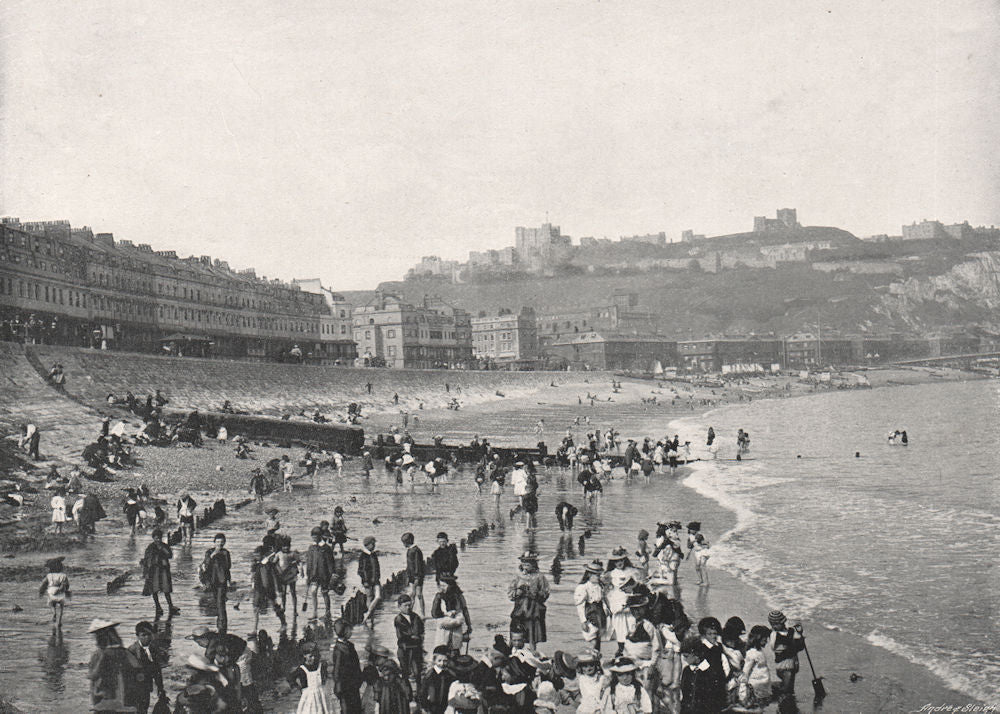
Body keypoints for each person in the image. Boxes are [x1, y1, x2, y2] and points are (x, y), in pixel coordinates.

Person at [87, 619, 132, 709]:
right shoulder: (122, 651)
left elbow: (94, 675)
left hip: (103, 694)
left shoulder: (100, 654)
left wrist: (89, 675)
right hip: (119, 693)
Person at [508, 551, 550, 648]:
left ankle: (532, 652)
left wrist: (536, 594)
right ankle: (512, 653)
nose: (525, 565)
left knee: (532, 635)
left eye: (528, 563)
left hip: (533, 610)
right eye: (523, 563)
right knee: (515, 633)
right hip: (519, 609)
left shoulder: (540, 577)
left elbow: (546, 593)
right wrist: (517, 592)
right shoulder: (518, 576)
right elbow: (510, 594)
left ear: (534, 564)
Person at [126, 621, 165, 714]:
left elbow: (157, 670)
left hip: (146, 687)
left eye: (149, 635)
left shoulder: (153, 649)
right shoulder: (132, 651)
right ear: (137, 636)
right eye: (143, 635)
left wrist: (160, 687)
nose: (147, 638)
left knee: (144, 709)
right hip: (135, 689)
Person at [141, 528, 180, 617]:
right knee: (154, 590)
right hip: (153, 571)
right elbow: (146, 561)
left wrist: (162, 548)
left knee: (166, 589)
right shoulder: (150, 547)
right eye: (156, 538)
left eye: (159, 538)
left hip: (164, 570)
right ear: (153, 538)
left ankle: (171, 606)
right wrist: (146, 573)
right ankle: (158, 607)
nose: (158, 539)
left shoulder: (165, 546)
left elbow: (170, 555)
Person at [430, 574, 472, 656]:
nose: (442, 588)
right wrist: (445, 614)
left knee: (455, 650)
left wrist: (469, 626)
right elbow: (434, 613)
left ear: (451, 585)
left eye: (444, 585)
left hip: (456, 630)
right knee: (442, 651)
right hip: (443, 628)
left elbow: (465, 610)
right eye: (440, 585)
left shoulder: (459, 596)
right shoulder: (439, 596)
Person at [364, 644, 412, 714]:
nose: (375, 662)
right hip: (393, 698)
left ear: (380, 658)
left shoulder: (387, 669)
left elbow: (383, 685)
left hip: (390, 698)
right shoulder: (389, 666)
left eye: (375, 658)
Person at [250, 545, 286, 632]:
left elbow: (276, 577)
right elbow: (253, 576)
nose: (256, 557)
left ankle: (283, 624)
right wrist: (252, 586)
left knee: (275, 606)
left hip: (269, 589)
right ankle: (254, 630)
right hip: (258, 589)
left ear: (263, 555)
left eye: (258, 555)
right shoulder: (256, 564)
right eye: (255, 555)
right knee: (255, 608)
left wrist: (279, 590)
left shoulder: (269, 565)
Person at [330, 618, 363, 713]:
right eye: (350, 630)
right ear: (344, 631)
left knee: (356, 707)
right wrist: (338, 686)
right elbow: (336, 671)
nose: (351, 632)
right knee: (346, 709)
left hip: (353, 684)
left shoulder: (349, 645)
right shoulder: (339, 650)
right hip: (344, 686)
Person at [768, 610, 804, 698]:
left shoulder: (791, 632)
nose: (774, 626)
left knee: (790, 686)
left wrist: (800, 636)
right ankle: (782, 698)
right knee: (787, 688)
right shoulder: (774, 634)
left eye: (776, 624)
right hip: (783, 664)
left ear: (783, 622)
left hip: (792, 662)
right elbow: (774, 646)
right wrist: (795, 636)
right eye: (772, 624)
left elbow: (800, 646)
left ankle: (783, 697)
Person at [201, 532, 232, 632]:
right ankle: (221, 622)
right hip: (212, 580)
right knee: (217, 601)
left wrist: (228, 581)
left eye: (222, 542)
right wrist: (213, 555)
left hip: (222, 579)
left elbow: (228, 566)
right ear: (214, 542)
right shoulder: (209, 552)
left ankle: (222, 625)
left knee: (220, 602)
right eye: (218, 542)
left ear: (224, 543)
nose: (219, 544)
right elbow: (206, 565)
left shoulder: (226, 553)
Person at [574, 560, 607, 653]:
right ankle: (592, 656)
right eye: (596, 575)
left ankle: (597, 658)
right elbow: (580, 605)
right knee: (592, 636)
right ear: (589, 575)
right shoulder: (583, 587)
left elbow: (603, 600)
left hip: (600, 612)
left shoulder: (600, 586)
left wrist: (607, 610)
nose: (599, 577)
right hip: (590, 612)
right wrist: (583, 621)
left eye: (599, 575)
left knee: (598, 636)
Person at [394, 593, 425, 691]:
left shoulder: (415, 616)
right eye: (405, 605)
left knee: (417, 672)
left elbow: (420, 631)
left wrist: (415, 636)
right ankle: (408, 694)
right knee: (405, 672)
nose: (408, 607)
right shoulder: (398, 619)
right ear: (399, 607)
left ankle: (419, 693)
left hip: (415, 648)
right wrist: (414, 636)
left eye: (409, 605)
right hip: (404, 649)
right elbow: (403, 635)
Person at [289, 640, 330, 714]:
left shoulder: (320, 666)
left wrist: (323, 681)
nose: (313, 658)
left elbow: (325, 674)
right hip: (308, 697)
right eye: (310, 656)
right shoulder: (302, 669)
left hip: (320, 695)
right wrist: (298, 688)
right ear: (304, 655)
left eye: (314, 655)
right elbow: (290, 678)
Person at [306, 525, 336, 621]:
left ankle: (328, 613)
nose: (314, 538)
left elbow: (330, 563)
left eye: (316, 536)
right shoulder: (311, 548)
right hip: (314, 574)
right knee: (313, 592)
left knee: (324, 593)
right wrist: (308, 575)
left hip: (324, 575)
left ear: (320, 536)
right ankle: (314, 612)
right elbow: (309, 562)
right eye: (313, 536)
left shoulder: (326, 548)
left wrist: (332, 574)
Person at [739, 625, 773, 708]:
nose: (766, 641)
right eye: (765, 638)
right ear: (758, 638)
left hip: (763, 688)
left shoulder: (760, 651)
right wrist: (743, 693)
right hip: (755, 689)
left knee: (761, 708)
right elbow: (746, 672)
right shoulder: (751, 653)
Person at [419, 645, 456, 714]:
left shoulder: (450, 675)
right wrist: (425, 707)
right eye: (439, 660)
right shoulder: (429, 675)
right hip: (432, 707)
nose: (442, 663)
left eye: (445, 661)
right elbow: (423, 692)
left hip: (446, 707)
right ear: (434, 660)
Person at [38, 556, 70, 630]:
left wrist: (41, 592)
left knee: (51, 604)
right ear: (61, 568)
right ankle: (59, 622)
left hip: (51, 592)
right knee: (61, 607)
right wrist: (66, 590)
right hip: (60, 593)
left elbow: (44, 584)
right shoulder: (63, 575)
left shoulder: (49, 575)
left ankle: (54, 613)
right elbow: (67, 585)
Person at [358, 535, 382, 626]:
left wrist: (378, 576)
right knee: (370, 597)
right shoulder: (363, 556)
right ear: (367, 545)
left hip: (375, 579)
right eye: (373, 543)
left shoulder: (373, 554)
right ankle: (370, 617)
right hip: (367, 581)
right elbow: (362, 570)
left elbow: (377, 567)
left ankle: (368, 613)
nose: (374, 545)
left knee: (378, 597)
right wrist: (365, 580)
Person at [575, 648, 607, 714]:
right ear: (580, 667)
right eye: (585, 666)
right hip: (585, 707)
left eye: (591, 665)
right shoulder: (581, 678)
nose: (588, 668)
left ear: (596, 665)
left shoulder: (601, 678)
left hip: (598, 707)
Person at [275, 535, 301, 615]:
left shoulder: (292, 554)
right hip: (282, 575)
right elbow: (275, 563)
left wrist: (297, 563)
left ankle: (295, 609)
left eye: (287, 546)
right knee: (283, 593)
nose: (286, 548)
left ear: (289, 546)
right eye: (284, 546)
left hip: (291, 575)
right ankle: (284, 607)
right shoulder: (279, 554)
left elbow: (298, 561)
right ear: (281, 547)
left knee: (293, 592)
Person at [402, 531, 426, 617]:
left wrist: (417, 577)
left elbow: (417, 565)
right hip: (412, 576)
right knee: (413, 594)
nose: (403, 544)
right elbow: (409, 565)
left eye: (403, 542)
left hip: (417, 576)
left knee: (418, 594)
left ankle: (422, 613)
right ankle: (410, 612)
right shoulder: (410, 550)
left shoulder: (416, 550)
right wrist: (408, 576)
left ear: (407, 542)